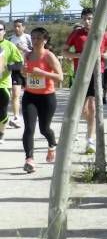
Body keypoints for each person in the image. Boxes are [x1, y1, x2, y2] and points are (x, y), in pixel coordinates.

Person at [62, 9, 107, 155]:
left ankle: (90, 140)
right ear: (81, 19)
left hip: (97, 73)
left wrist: (104, 55)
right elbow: (64, 52)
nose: (87, 21)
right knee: (82, 109)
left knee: (92, 106)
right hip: (81, 73)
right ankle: (86, 127)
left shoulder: (102, 33)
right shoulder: (76, 34)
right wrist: (79, 55)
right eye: (84, 19)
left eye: (90, 18)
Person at [21, 27, 63, 173]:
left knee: (44, 129)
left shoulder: (49, 56)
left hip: (47, 97)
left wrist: (42, 72)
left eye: (39, 38)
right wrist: (23, 72)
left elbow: (60, 77)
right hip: (29, 96)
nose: (35, 40)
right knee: (29, 128)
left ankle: (52, 145)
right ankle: (29, 159)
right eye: (33, 38)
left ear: (45, 40)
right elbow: (24, 72)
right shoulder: (27, 55)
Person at [0, 22, 24, 145]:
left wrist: (8, 67)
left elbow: (20, 63)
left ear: (4, 31)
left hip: (3, 84)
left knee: (2, 111)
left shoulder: (9, 45)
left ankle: (1, 134)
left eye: (0, 29)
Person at [9, 19, 32, 128]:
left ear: (24, 27)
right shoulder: (10, 39)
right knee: (15, 94)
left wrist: (24, 49)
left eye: (19, 26)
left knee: (32, 94)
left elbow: (35, 52)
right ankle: (16, 117)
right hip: (16, 69)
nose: (16, 28)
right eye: (15, 26)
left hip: (29, 69)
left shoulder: (29, 38)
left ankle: (32, 114)